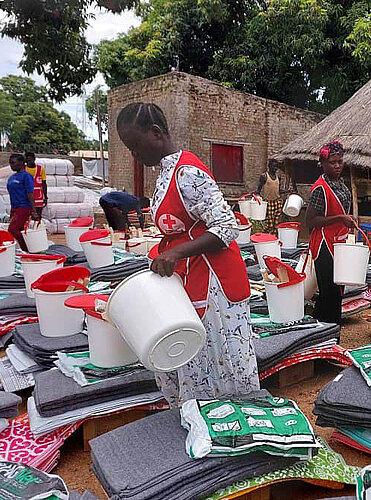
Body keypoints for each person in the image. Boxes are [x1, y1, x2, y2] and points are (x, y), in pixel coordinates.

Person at [116, 102, 259, 407]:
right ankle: (200, 414)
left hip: (214, 281)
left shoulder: (188, 172)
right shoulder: (167, 173)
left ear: (156, 134)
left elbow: (226, 226)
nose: (134, 155)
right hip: (191, 274)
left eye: (135, 146)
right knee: (194, 353)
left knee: (218, 354)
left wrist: (177, 251)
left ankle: (226, 417)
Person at [305, 141, 355, 325]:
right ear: (323, 163)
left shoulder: (340, 184)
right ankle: (326, 332)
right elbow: (311, 221)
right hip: (324, 245)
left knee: (337, 291)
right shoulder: (321, 189)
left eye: (340, 161)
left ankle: (326, 332)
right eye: (333, 162)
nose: (337, 166)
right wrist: (339, 218)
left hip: (339, 243)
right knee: (329, 291)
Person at [7, 153, 38, 252]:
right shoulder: (12, 177)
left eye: (13, 163)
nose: (11, 165)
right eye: (10, 163)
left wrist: (34, 211)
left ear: (21, 163)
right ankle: (25, 249)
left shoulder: (26, 176)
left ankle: (26, 250)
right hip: (14, 207)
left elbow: (30, 194)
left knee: (12, 229)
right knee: (19, 230)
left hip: (24, 207)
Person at [256, 161, 283, 234]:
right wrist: (259, 199)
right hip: (268, 202)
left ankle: (274, 237)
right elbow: (259, 190)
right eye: (274, 166)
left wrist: (288, 191)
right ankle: (263, 235)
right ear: (269, 166)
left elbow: (278, 190)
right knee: (269, 224)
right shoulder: (264, 176)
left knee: (276, 223)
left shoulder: (278, 178)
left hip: (277, 202)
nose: (275, 168)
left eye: (276, 167)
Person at [24, 152, 47, 219]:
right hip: (27, 197)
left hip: (39, 197)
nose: (28, 162)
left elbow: (44, 183)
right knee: (28, 216)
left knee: (38, 215)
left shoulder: (41, 169)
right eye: (27, 161)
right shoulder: (24, 169)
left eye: (30, 160)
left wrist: (45, 197)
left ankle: (37, 228)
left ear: (34, 159)